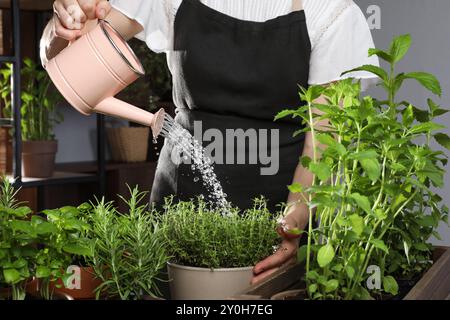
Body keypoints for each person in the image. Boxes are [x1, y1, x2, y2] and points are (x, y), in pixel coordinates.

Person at [41, 0, 379, 285]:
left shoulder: (332, 13)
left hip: (276, 221)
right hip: (176, 212)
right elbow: (69, 56)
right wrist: (62, 27)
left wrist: (292, 226)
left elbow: (322, 142)